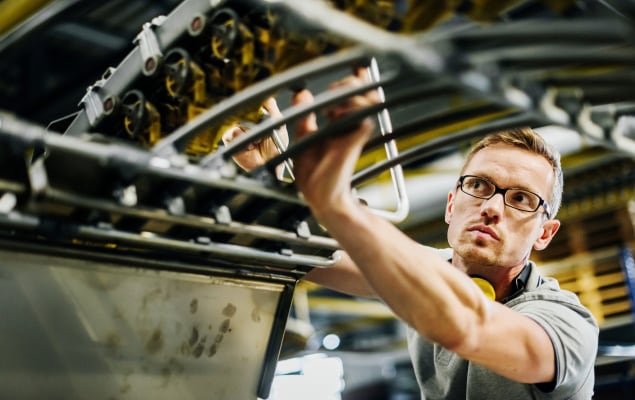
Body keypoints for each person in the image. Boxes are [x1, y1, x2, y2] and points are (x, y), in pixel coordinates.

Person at [223, 70, 599, 399]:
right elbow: (305, 255)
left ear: (545, 233)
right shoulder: (429, 269)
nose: (493, 207)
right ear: (452, 205)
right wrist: (265, 179)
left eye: (520, 198)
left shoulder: (566, 324)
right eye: (480, 186)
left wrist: (338, 205)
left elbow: (466, 326)